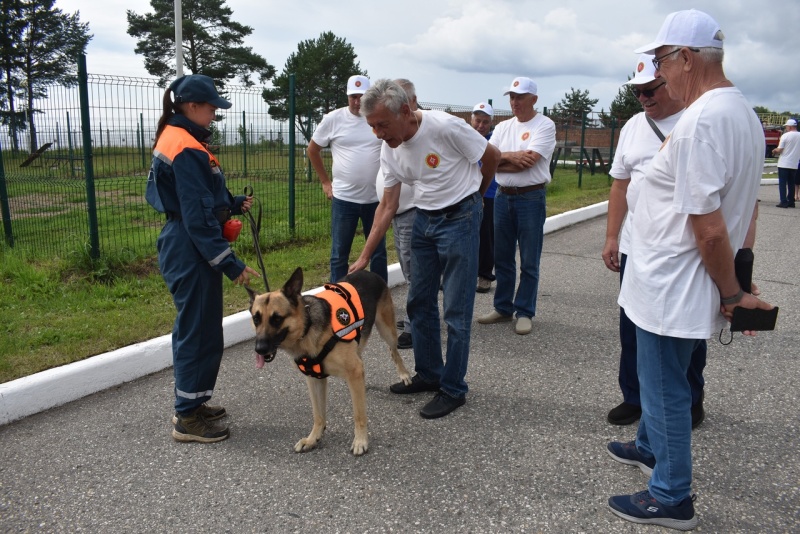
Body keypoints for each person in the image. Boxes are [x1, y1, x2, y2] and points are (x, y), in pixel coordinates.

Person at [606, 10, 774, 530]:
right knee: (666, 378)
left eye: (660, 60)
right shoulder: (738, 113)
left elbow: (711, 229)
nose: (659, 73)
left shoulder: (702, 121)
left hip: (671, 286)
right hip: (668, 279)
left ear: (685, 58)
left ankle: (671, 494)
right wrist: (737, 278)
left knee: (664, 388)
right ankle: (651, 446)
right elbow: (736, 208)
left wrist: (732, 292)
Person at [349, 79, 500, 419]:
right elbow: (387, 206)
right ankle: (430, 373)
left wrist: (476, 197)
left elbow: (491, 156)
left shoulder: (445, 126)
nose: (377, 134)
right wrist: (363, 256)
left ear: (406, 111)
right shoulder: (389, 148)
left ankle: (453, 388)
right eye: (372, 126)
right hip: (424, 221)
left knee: (457, 311)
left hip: (460, 217)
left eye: (382, 125)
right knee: (419, 302)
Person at [146, 74, 259, 443]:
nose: (214, 114)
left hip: (189, 240)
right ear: (192, 106)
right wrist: (231, 264)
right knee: (196, 332)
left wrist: (231, 203)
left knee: (204, 328)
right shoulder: (186, 146)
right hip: (189, 244)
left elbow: (202, 196)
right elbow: (196, 216)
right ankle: (186, 419)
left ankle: (194, 403)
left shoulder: (184, 139)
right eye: (211, 108)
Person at [602, 54, 708, 428]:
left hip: (682, 250)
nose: (644, 99)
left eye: (650, 90)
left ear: (670, 82)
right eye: (638, 93)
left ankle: (690, 400)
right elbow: (620, 183)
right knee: (631, 324)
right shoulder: (633, 126)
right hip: (636, 246)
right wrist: (613, 236)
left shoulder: (696, 120)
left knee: (686, 332)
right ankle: (634, 396)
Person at [477, 77, 556, 335]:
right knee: (502, 258)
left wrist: (500, 159)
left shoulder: (544, 125)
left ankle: (524, 311)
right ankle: (502, 307)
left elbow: (530, 162)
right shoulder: (503, 127)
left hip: (530, 198)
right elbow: (487, 160)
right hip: (502, 196)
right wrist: (508, 157)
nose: (515, 102)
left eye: (520, 97)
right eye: (511, 97)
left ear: (534, 99)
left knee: (529, 259)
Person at [307, 75, 387, 283]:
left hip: (376, 199)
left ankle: (380, 299)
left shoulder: (378, 119)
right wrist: (325, 182)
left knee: (378, 253)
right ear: (347, 96)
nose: (357, 101)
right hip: (344, 199)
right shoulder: (333, 119)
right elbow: (313, 150)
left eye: (362, 96)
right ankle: (339, 298)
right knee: (339, 254)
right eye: (353, 96)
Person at [375, 78, 418, 350]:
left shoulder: (415, 134)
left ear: (410, 104)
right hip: (399, 214)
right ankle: (417, 318)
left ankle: (416, 326)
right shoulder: (392, 135)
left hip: (411, 213)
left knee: (415, 274)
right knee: (409, 270)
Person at [471, 102, 497, 293]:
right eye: (478, 121)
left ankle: (485, 276)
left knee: (485, 236)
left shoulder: (494, 141)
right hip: (465, 193)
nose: (481, 125)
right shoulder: (463, 137)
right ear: (471, 120)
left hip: (488, 193)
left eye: (485, 122)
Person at [772, 118, 800, 208]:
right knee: (791, 183)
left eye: (787, 126)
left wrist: (774, 151)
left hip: (784, 163)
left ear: (790, 127)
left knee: (783, 183)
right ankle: (791, 201)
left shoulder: (785, 136)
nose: (786, 128)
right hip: (794, 163)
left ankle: (783, 201)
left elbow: (780, 149)